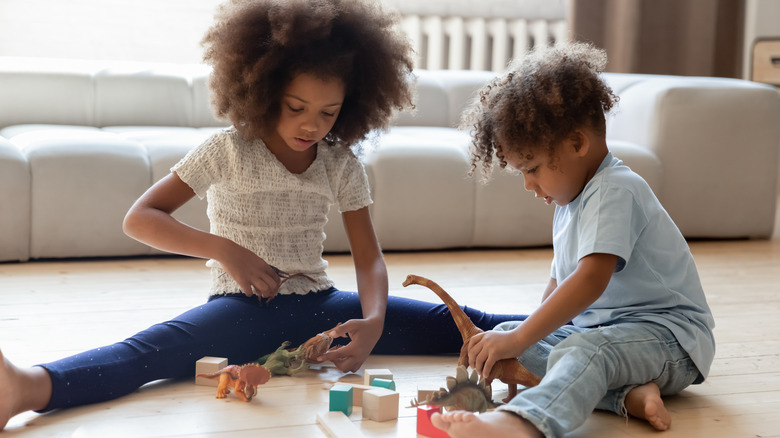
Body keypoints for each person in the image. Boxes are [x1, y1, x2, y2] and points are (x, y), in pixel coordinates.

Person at [0, 0, 530, 430]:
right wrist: (226, 251)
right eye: (296, 107)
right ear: (264, 89)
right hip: (238, 309)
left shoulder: (342, 164)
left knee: (459, 324)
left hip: (323, 308)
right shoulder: (227, 150)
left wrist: (372, 323)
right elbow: (140, 218)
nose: (310, 125)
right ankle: (26, 386)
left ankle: (579, 330)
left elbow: (369, 259)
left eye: (328, 113)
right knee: (148, 353)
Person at [431, 42, 716, 438]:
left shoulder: (616, 189)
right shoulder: (570, 201)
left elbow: (588, 281)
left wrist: (517, 339)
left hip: (671, 340)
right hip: (607, 336)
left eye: (531, 168)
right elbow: (557, 286)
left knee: (577, 350)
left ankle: (524, 422)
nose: (529, 185)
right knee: (518, 334)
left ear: (578, 144)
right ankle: (628, 396)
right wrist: (512, 338)